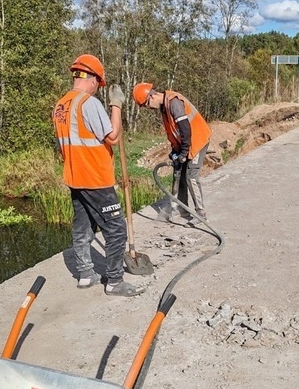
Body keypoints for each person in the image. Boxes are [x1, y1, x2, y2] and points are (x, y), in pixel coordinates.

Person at [52, 54, 145, 297]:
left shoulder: (61, 105)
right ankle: (114, 281)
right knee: (115, 229)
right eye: (98, 83)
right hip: (95, 179)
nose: (97, 88)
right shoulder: (88, 103)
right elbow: (112, 137)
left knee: (83, 226)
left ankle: (85, 275)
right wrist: (116, 106)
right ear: (92, 78)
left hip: (75, 177)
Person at [132, 83, 211, 224]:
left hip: (197, 140)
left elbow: (185, 128)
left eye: (146, 104)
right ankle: (182, 210)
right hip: (186, 142)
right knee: (179, 174)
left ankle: (201, 213)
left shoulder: (173, 102)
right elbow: (174, 132)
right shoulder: (164, 108)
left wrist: (185, 151)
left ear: (153, 95)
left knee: (191, 176)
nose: (148, 108)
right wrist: (175, 151)